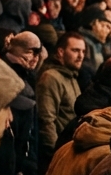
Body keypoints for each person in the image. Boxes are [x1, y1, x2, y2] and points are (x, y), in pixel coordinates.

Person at [36, 31, 85, 167]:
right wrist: (55, 154)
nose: (81, 56)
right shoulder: (51, 77)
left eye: (83, 51)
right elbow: (46, 120)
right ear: (61, 52)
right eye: (75, 50)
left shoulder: (71, 77)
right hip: (56, 157)